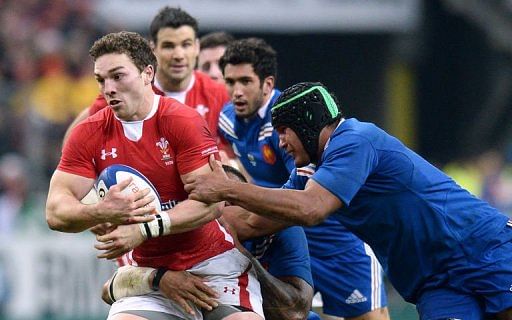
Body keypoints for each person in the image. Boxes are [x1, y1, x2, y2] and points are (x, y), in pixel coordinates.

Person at [185, 81, 512, 320]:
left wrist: (226, 189)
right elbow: (253, 221)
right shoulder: (309, 172)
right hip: (434, 281)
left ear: (308, 124)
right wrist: (172, 221)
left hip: (481, 249)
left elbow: (311, 210)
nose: (280, 142)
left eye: (284, 131)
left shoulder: (355, 139)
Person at [46, 31, 263, 320]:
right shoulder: (88, 132)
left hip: (212, 266)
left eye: (118, 76)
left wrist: (144, 229)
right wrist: (100, 211)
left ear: (148, 73)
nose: (108, 88)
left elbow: (210, 204)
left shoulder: (182, 121)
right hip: (148, 275)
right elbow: (55, 211)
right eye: (101, 79)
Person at [217, 38, 389, 320]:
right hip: (282, 236)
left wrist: (243, 204)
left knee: (371, 317)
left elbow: (307, 192)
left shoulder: (287, 126)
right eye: (230, 82)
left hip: (333, 237)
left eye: (245, 81)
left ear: (267, 84)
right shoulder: (226, 120)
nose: (236, 91)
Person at [100, 165, 316, 320]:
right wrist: (158, 278)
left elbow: (293, 312)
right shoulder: (179, 234)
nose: (220, 214)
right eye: (218, 204)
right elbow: (109, 289)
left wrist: (241, 256)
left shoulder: (283, 230)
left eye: (234, 202)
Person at [63, 6, 230, 150]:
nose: (179, 55)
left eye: (186, 45)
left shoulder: (219, 94)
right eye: (168, 46)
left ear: (197, 47)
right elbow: (74, 140)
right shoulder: (127, 89)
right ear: (153, 49)